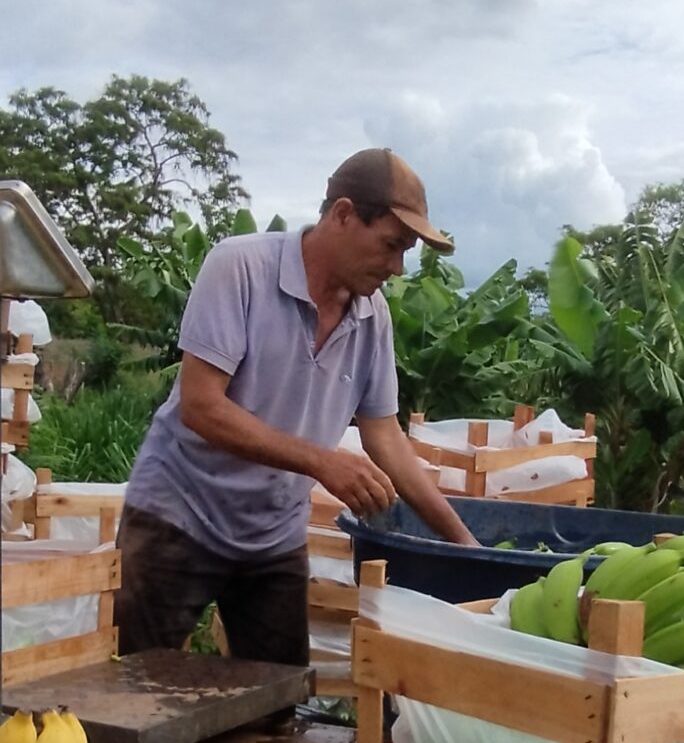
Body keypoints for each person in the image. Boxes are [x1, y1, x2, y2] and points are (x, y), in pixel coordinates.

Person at [117, 147, 478, 677]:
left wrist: (465, 544)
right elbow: (200, 405)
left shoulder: (371, 315)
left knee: (278, 701)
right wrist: (321, 462)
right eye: (391, 245)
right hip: (179, 515)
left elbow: (385, 437)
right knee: (133, 693)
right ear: (343, 215)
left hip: (272, 534)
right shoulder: (240, 267)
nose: (397, 267)